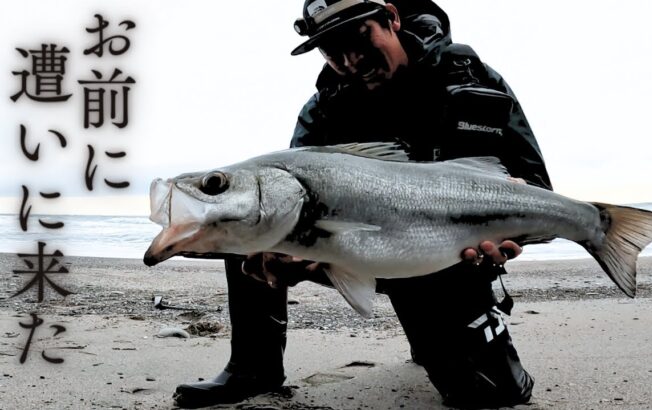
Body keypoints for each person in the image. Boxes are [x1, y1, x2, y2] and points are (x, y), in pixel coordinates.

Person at [173, 1, 552, 408]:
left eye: (358, 38)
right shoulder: (323, 110)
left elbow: (535, 187)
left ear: (391, 17)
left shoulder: (469, 83)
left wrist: (511, 234)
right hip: (349, 251)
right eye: (331, 51)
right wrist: (283, 255)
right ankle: (254, 368)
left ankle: (436, 337)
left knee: (488, 394)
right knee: (247, 219)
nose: (350, 60)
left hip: (449, 259)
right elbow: (287, 198)